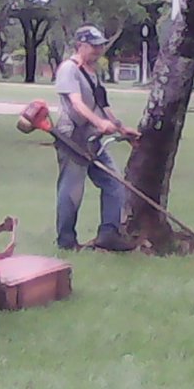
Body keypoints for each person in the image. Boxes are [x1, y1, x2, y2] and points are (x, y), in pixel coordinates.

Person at [54, 25, 139, 252]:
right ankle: (66, 241)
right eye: (94, 46)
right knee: (72, 189)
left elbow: (103, 105)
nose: (99, 50)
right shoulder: (68, 70)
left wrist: (121, 129)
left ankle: (108, 235)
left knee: (115, 183)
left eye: (101, 46)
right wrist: (100, 123)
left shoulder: (93, 72)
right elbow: (77, 103)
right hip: (72, 136)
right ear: (80, 45)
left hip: (93, 139)